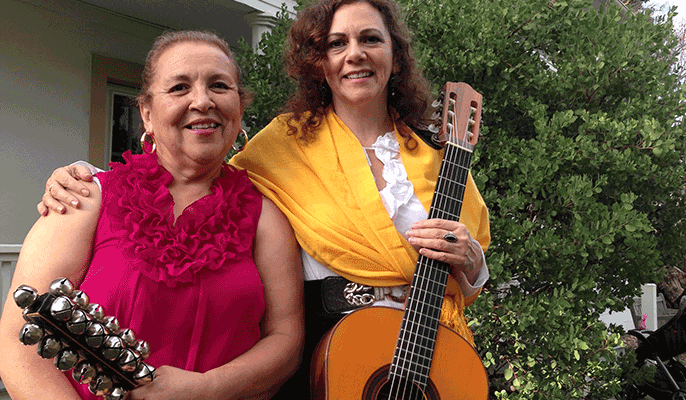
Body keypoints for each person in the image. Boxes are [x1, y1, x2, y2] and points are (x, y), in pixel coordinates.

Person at [38, 0, 490, 395]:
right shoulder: (285, 144)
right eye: (336, 44)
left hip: (433, 349)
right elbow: (201, 172)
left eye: (371, 38)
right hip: (335, 351)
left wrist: (470, 260)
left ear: (395, 54)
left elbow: (471, 268)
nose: (355, 54)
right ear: (318, 60)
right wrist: (91, 179)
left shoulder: (437, 153)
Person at [0, 30, 303, 400]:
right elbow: (20, 340)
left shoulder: (265, 217)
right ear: (146, 113)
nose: (202, 101)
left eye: (220, 85)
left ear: (240, 108)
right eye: (179, 88)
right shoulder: (83, 197)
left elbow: (286, 339)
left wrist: (207, 389)